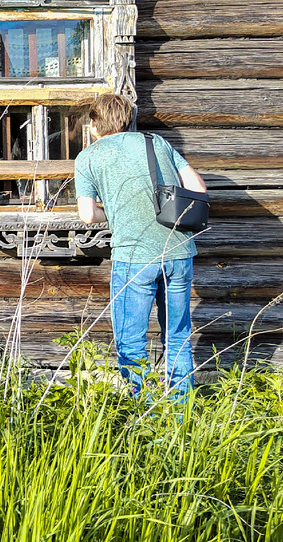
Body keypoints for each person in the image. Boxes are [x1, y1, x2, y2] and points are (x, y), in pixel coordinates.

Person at [74, 93, 207, 396]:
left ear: (94, 123)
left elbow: (87, 216)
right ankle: (179, 413)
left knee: (131, 341)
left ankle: (144, 409)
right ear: (127, 119)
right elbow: (198, 188)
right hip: (178, 251)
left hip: (134, 256)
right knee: (177, 337)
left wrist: (114, 207)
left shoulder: (89, 157)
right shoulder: (156, 142)